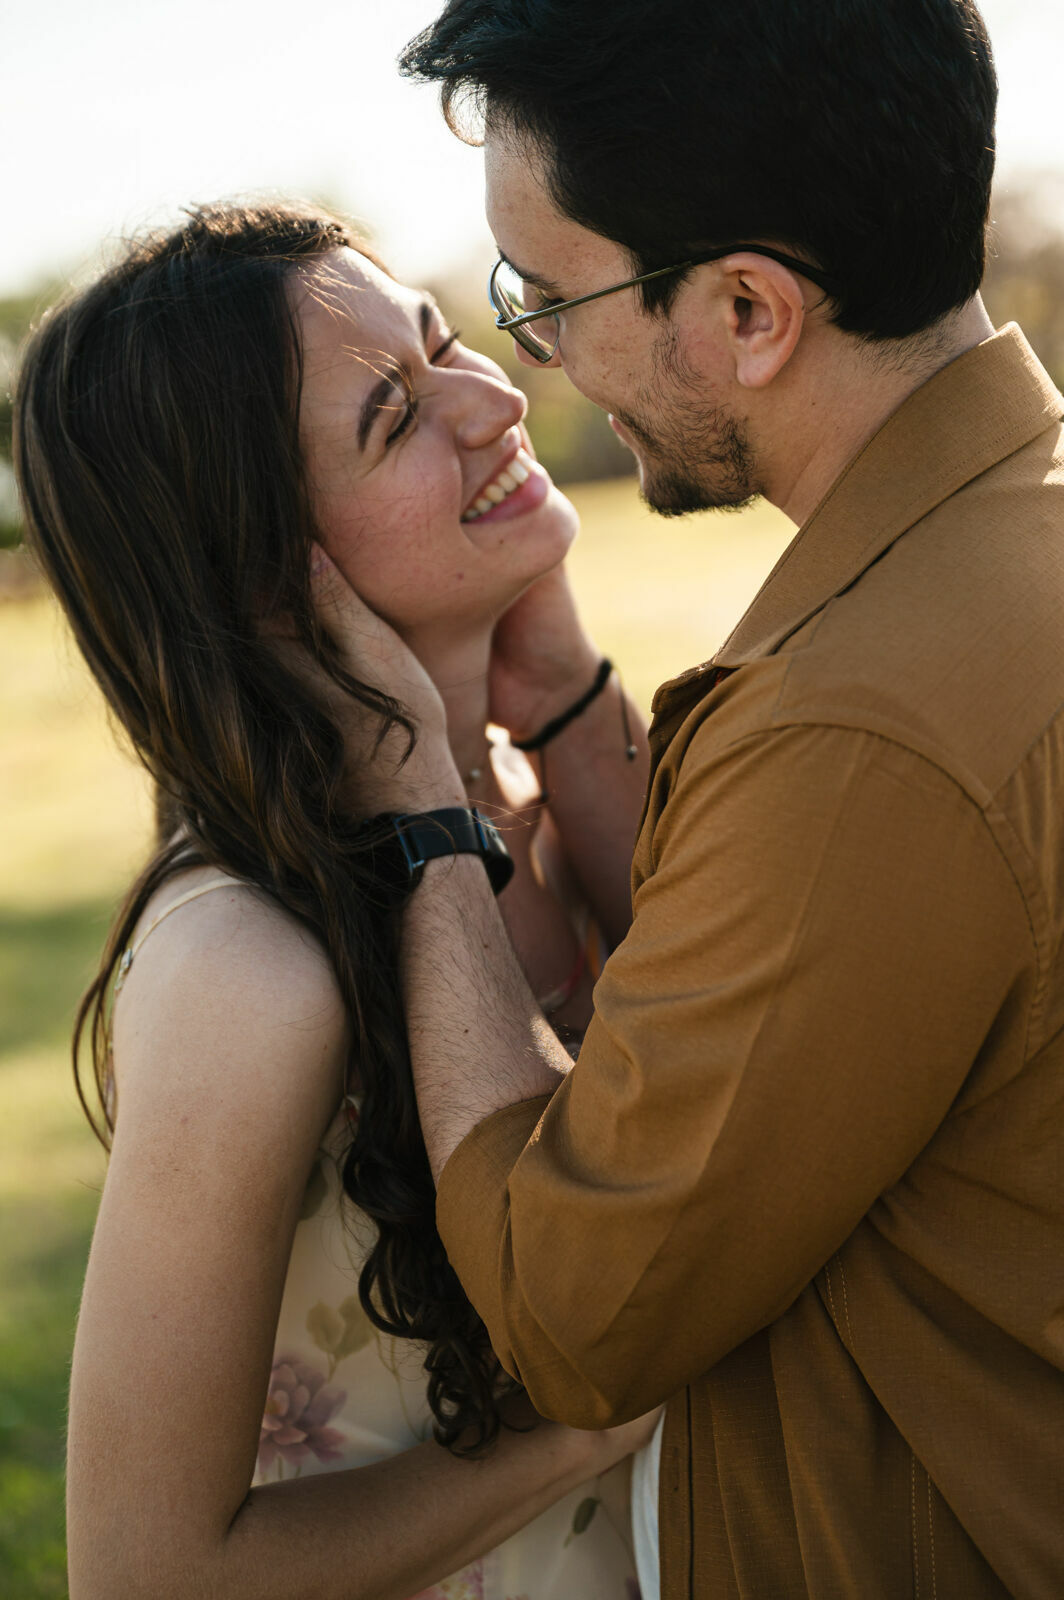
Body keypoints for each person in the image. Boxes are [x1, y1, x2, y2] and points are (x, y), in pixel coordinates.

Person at [294, 2, 1064, 1596]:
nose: (534, 366)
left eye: (545, 298)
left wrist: (424, 813)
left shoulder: (855, 730)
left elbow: (575, 1310)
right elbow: (790, 1021)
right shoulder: (1014, 548)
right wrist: (572, 700)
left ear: (745, 309)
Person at [13, 199, 657, 1600]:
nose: (494, 400)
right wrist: (596, 1414)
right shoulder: (249, 963)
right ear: (264, 581)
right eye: (393, 416)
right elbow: (147, 1573)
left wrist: (554, 693)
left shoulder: (531, 801)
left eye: (445, 344)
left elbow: (722, 1045)